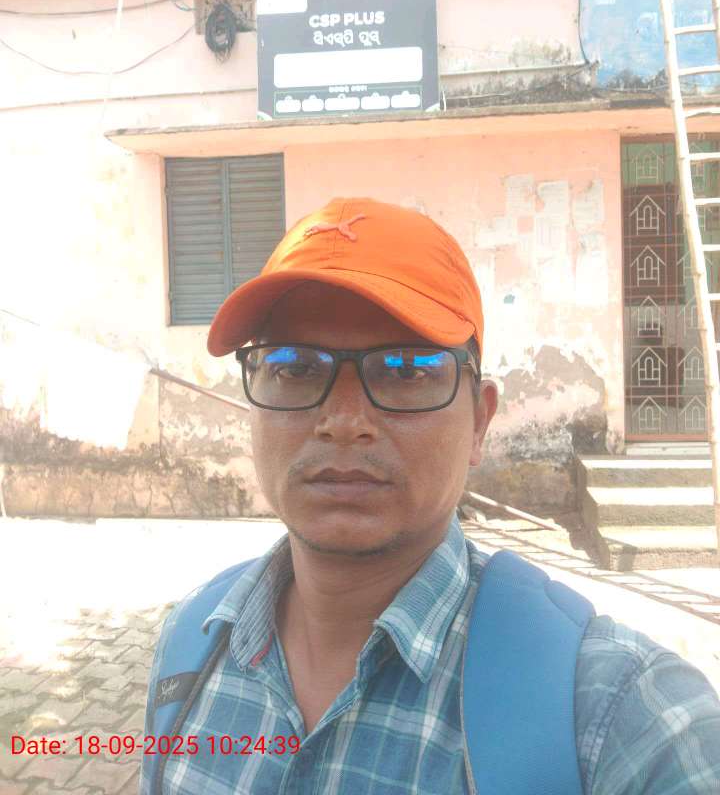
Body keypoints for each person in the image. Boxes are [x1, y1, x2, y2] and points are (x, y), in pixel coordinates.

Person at [140, 196, 720, 794]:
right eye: (295, 367)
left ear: (479, 422)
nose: (343, 422)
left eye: (405, 369)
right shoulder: (190, 646)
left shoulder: (625, 721)